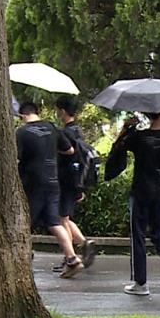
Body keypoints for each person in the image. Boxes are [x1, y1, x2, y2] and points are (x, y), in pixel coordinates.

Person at [105, 111, 160, 296]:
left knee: (138, 235)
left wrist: (126, 127)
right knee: (159, 231)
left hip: (141, 191)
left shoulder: (139, 138)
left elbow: (119, 146)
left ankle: (141, 283)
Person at [16, 101, 83, 278]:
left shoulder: (21, 132)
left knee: (24, 222)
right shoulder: (52, 127)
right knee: (54, 222)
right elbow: (69, 150)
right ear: (37, 112)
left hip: (32, 183)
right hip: (53, 181)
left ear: (23, 115)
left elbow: (16, 158)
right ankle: (72, 258)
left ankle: (22, 257)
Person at [54, 96, 97, 270]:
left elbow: (65, 158)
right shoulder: (78, 131)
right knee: (63, 217)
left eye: (58, 110)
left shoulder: (65, 133)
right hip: (76, 182)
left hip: (66, 182)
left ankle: (70, 256)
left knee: (62, 219)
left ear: (62, 111)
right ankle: (84, 243)